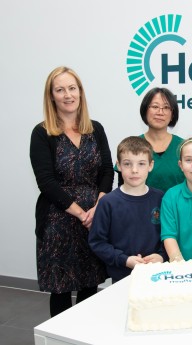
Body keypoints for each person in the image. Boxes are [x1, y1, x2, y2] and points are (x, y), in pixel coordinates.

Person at [30, 66, 114, 317]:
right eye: (60, 89)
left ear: (80, 92)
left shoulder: (95, 129)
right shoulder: (42, 132)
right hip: (58, 221)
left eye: (72, 88)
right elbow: (46, 182)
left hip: (94, 218)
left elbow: (108, 170)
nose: (67, 95)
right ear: (51, 96)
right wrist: (81, 213)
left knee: (91, 284)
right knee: (61, 288)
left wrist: (99, 206)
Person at [89, 136, 167, 283]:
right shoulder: (107, 203)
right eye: (127, 164)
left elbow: (169, 235)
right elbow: (97, 242)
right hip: (121, 276)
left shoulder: (161, 199)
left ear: (151, 165)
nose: (134, 170)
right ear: (118, 165)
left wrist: (162, 256)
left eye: (141, 164)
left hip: (157, 274)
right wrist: (124, 260)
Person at [116, 87, 184, 192]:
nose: (160, 112)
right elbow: (123, 190)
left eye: (166, 107)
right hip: (138, 208)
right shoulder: (131, 146)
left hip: (177, 208)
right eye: (155, 106)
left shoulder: (184, 147)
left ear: (172, 114)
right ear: (145, 110)